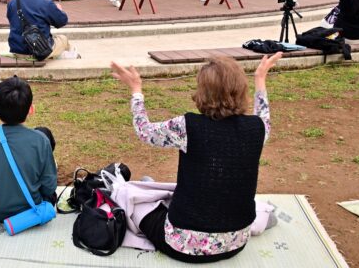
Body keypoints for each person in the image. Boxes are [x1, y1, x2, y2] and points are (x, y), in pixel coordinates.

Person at [110, 52, 282, 263]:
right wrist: (260, 78)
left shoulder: (187, 126)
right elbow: (263, 114)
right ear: (241, 88)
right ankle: (262, 217)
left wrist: (136, 89)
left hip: (182, 245)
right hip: (236, 243)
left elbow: (144, 131)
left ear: (202, 92)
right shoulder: (257, 128)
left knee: (132, 200)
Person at [0, 76, 57, 222]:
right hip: (29, 210)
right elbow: (49, 186)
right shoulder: (40, 140)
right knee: (44, 132)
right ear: (31, 109)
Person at [7, 0, 73, 59]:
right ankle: (71, 59)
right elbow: (62, 22)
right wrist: (59, 10)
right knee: (63, 39)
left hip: (17, 50)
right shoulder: (46, 2)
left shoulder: (12, 2)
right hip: (40, 51)